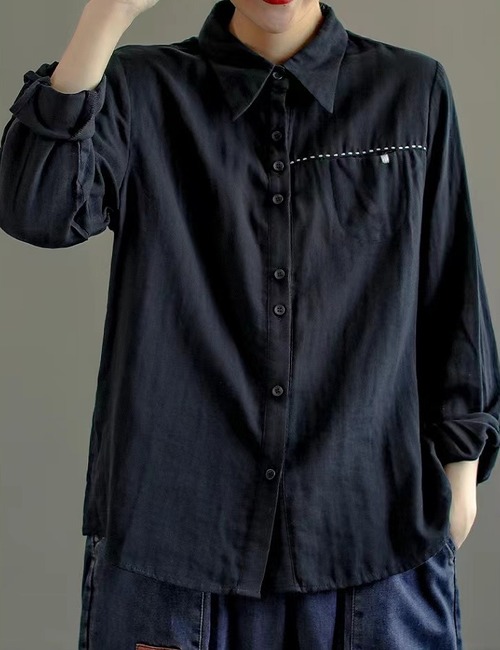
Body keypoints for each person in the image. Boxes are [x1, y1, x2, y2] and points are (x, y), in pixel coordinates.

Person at [1, 0, 499, 647]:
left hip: (376, 550)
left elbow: (452, 290)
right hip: (171, 559)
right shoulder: (141, 90)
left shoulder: (411, 91)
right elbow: (36, 205)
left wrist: (461, 473)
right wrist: (107, 15)